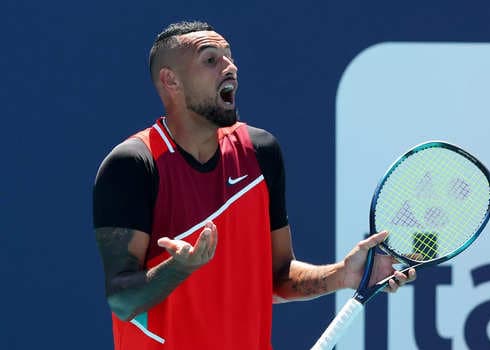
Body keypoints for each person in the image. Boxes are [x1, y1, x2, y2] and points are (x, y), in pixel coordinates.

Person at [93, 20, 415, 350]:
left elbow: (277, 276)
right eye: (210, 59)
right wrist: (180, 268)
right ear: (170, 80)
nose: (230, 66)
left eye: (229, 56)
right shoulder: (134, 165)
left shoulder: (259, 153)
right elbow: (123, 300)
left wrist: (342, 276)